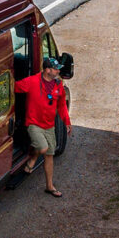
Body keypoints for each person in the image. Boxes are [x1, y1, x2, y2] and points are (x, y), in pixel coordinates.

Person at [15, 56, 71, 197]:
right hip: (34, 124)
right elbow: (14, 87)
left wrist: (67, 122)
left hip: (49, 126)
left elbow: (61, 106)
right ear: (47, 70)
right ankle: (33, 159)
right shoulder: (32, 81)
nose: (58, 71)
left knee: (49, 155)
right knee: (43, 148)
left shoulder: (58, 85)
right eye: (55, 69)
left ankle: (49, 186)